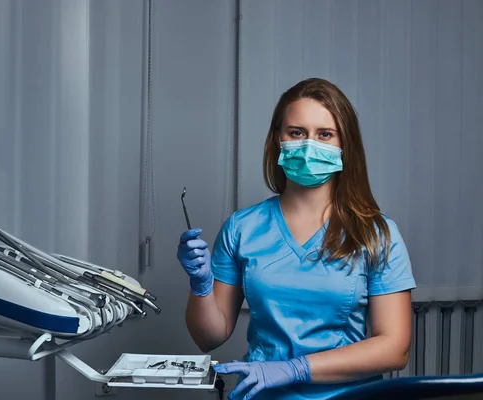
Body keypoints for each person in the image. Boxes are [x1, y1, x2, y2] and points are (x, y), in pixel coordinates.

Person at [176, 78, 416, 400]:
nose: (308, 146)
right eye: (297, 133)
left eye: (325, 134)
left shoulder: (377, 234)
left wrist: (295, 368)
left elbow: (394, 349)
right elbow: (210, 337)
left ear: (345, 144)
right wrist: (201, 285)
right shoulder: (242, 228)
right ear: (278, 138)